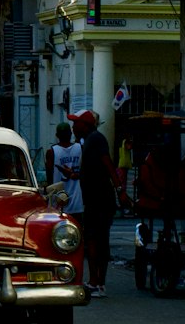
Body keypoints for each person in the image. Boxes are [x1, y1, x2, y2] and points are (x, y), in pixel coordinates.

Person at [69, 111, 128, 297]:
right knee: (96, 240)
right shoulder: (89, 141)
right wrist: (76, 175)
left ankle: (97, 282)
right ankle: (97, 282)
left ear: (85, 125)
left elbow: (108, 165)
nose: (73, 127)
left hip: (100, 200)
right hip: (95, 199)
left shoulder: (96, 139)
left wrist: (120, 191)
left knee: (96, 240)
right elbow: (96, 170)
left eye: (76, 123)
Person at [46, 123, 83, 233]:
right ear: (70, 133)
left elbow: (49, 176)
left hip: (59, 198)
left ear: (57, 135)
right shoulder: (80, 148)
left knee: (59, 231)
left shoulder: (51, 152)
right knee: (78, 230)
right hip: (78, 198)